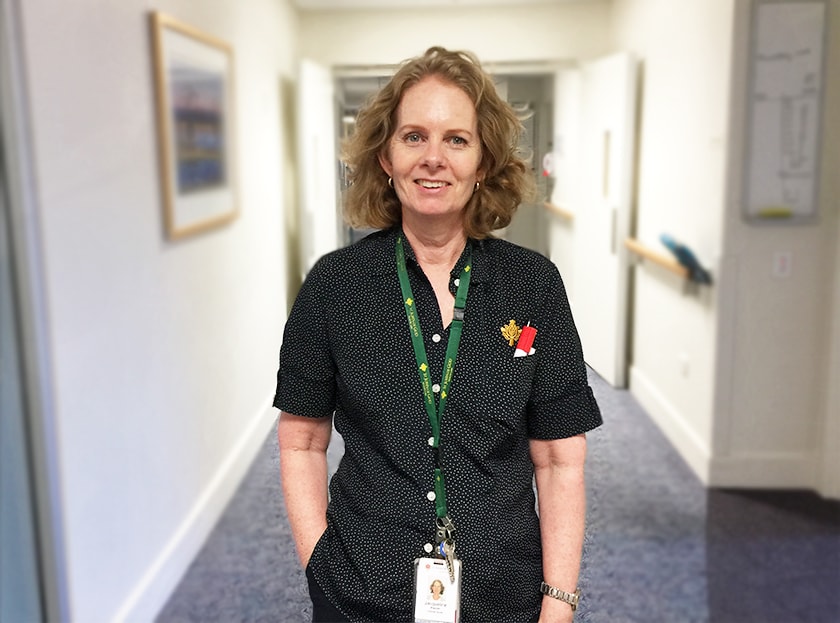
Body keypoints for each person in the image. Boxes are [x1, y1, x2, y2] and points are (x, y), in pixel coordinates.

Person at [275, 46, 602, 623]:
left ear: (483, 162)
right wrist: (318, 564)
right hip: (360, 594)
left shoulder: (532, 286)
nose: (433, 159)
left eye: (456, 139)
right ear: (385, 156)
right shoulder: (334, 285)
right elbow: (301, 441)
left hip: (502, 595)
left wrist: (560, 600)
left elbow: (559, 459)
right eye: (413, 137)